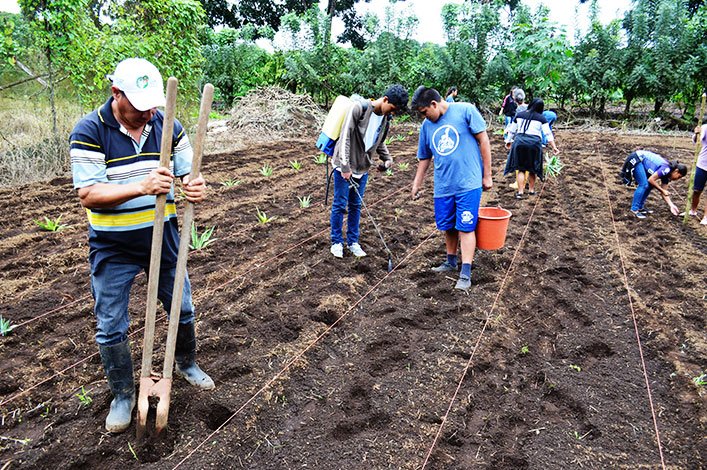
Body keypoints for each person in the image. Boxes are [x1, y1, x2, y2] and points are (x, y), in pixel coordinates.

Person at [69, 58, 214, 434]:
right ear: (116, 94)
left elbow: (188, 175)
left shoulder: (167, 125)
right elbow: (88, 193)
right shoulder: (89, 130)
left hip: (161, 234)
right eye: (138, 105)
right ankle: (122, 394)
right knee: (111, 323)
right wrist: (141, 187)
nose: (147, 112)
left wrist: (195, 186)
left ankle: (186, 364)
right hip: (112, 244)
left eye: (152, 105)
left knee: (181, 304)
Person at [410, 86, 493, 291]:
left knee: (465, 226)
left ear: (434, 104)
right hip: (443, 185)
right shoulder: (426, 127)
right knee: (447, 226)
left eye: (424, 112)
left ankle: (465, 272)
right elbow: (425, 157)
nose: (424, 117)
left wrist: (487, 175)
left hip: (468, 183)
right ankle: (450, 261)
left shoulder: (466, 111)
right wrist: (417, 183)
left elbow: (484, 140)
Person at [329, 84, 409, 259]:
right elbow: (345, 137)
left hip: (363, 167)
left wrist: (387, 159)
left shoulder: (385, 119)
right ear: (385, 100)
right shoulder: (359, 108)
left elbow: (379, 141)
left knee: (356, 206)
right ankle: (336, 242)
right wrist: (344, 166)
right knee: (340, 204)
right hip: (345, 164)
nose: (392, 113)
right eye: (392, 108)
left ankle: (353, 242)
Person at [504, 98, 559, 199]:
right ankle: (531, 190)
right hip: (534, 143)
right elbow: (548, 133)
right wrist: (554, 147)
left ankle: (520, 192)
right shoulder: (541, 118)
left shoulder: (519, 115)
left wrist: (508, 141)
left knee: (521, 169)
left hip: (519, 142)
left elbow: (512, 130)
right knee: (532, 168)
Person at [626, 149, 687, 219]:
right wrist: (661, 190)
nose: (677, 179)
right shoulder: (666, 169)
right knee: (644, 184)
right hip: (637, 158)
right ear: (676, 171)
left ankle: (640, 207)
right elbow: (651, 179)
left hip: (641, 160)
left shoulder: (667, 175)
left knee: (649, 185)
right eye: (679, 177)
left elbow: (664, 192)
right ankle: (634, 209)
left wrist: (671, 205)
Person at [688, 124, 707, 224]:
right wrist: (697, 134)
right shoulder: (704, 127)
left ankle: (705, 217)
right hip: (702, 164)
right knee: (696, 190)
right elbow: (697, 141)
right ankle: (692, 211)